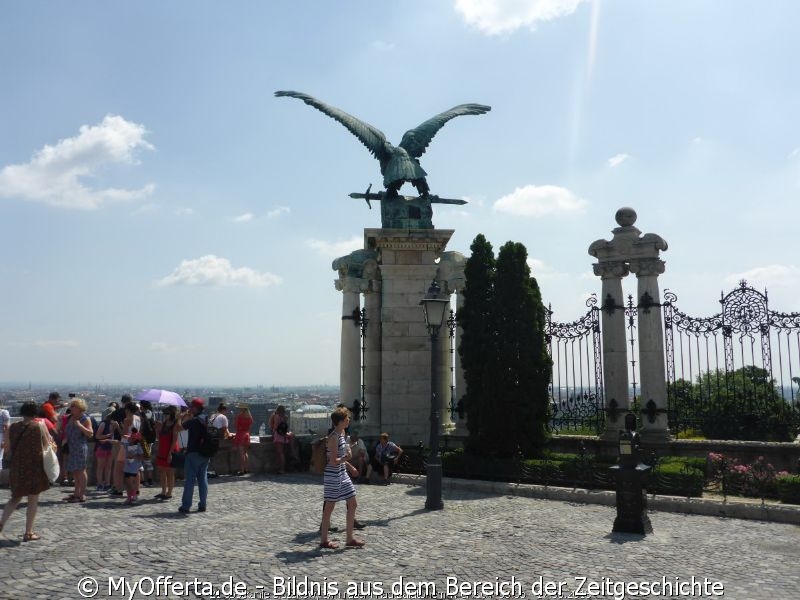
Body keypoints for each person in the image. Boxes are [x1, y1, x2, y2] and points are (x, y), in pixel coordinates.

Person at [0, 401, 53, 541]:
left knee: (15, 497)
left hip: (17, 467)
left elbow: (6, 449)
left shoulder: (12, 427)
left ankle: (1, 523)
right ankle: (28, 532)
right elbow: (48, 445)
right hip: (34, 466)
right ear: (35, 412)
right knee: (33, 498)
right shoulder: (39, 426)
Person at [320, 407, 364, 549]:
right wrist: (347, 457)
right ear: (340, 421)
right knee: (329, 507)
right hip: (333, 475)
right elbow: (333, 460)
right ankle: (324, 540)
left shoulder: (342, 433)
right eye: (346, 418)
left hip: (342, 473)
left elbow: (343, 452)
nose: (348, 420)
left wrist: (349, 464)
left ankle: (349, 538)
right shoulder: (333, 437)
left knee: (353, 503)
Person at [178, 398, 210, 514]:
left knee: (190, 480)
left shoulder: (193, 421)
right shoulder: (206, 419)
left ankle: (186, 506)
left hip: (193, 453)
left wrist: (182, 416)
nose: (190, 409)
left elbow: (179, 427)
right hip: (206, 453)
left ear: (195, 408)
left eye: (191, 407)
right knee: (203, 479)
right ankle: (203, 504)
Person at [63, 398, 94, 503]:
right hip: (72, 447)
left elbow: (90, 434)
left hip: (80, 448)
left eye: (73, 406)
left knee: (81, 471)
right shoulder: (70, 418)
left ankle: (82, 494)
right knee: (75, 472)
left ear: (79, 408)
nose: (70, 408)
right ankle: (76, 493)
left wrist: (80, 426)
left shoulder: (85, 419)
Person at [154, 405, 180, 500]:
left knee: (170, 472)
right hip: (162, 448)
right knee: (162, 471)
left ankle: (169, 493)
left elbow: (174, 440)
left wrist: (170, 453)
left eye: (166, 414)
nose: (165, 415)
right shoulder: (165, 423)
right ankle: (163, 491)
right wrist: (157, 429)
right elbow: (159, 437)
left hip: (170, 449)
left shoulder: (175, 424)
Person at [113, 429, 144, 505]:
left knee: (131, 483)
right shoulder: (127, 444)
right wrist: (108, 440)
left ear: (136, 440)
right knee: (128, 484)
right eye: (130, 438)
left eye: (132, 438)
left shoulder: (138, 446)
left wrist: (133, 456)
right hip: (127, 467)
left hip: (134, 468)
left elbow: (142, 456)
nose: (130, 439)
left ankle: (134, 495)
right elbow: (120, 441)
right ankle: (129, 497)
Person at [93, 407, 115, 491]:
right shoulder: (103, 424)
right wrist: (108, 435)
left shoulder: (113, 424)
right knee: (101, 466)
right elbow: (97, 436)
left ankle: (107, 483)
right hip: (102, 447)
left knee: (108, 466)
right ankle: (100, 483)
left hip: (110, 447)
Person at [269, 405, 294, 474]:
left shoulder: (276, 416)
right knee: (282, 453)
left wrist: (273, 431)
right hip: (283, 435)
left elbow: (275, 426)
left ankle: (281, 469)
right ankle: (282, 468)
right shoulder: (285, 417)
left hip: (278, 435)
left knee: (280, 453)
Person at [232, 405, 253, 475]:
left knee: (241, 454)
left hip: (241, 435)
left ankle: (242, 470)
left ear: (242, 409)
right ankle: (246, 468)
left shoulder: (239, 416)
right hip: (247, 434)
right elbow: (250, 425)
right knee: (245, 453)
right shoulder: (249, 417)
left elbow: (236, 426)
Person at [0, 405, 9, 480]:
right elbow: (6, 427)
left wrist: (4, 440)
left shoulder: (3, 413)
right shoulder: (3, 413)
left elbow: (6, 427)